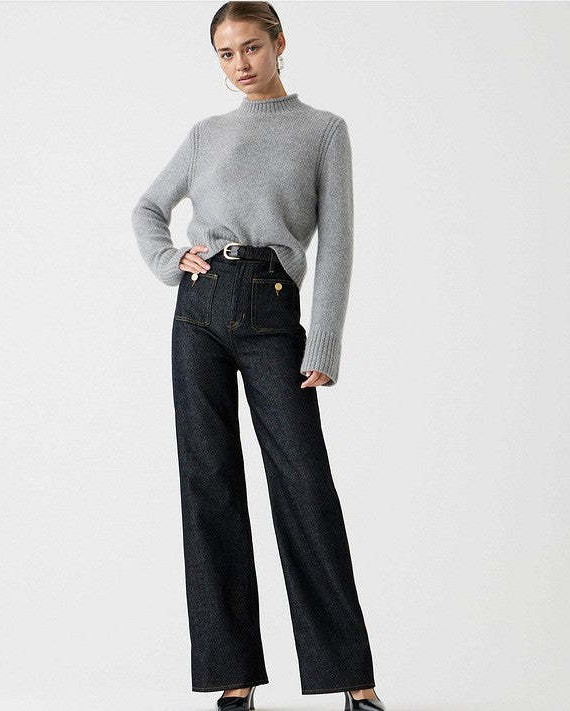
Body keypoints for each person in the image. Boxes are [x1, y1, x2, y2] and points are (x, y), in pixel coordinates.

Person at [131, 3, 385, 710]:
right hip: (199, 311)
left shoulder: (323, 130)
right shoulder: (205, 134)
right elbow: (147, 208)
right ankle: (234, 679)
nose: (239, 63)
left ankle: (353, 680)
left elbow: (338, 241)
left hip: (272, 309)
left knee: (304, 485)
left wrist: (324, 340)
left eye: (250, 47)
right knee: (208, 484)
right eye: (225, 53)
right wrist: (170, 262)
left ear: (278, 44)